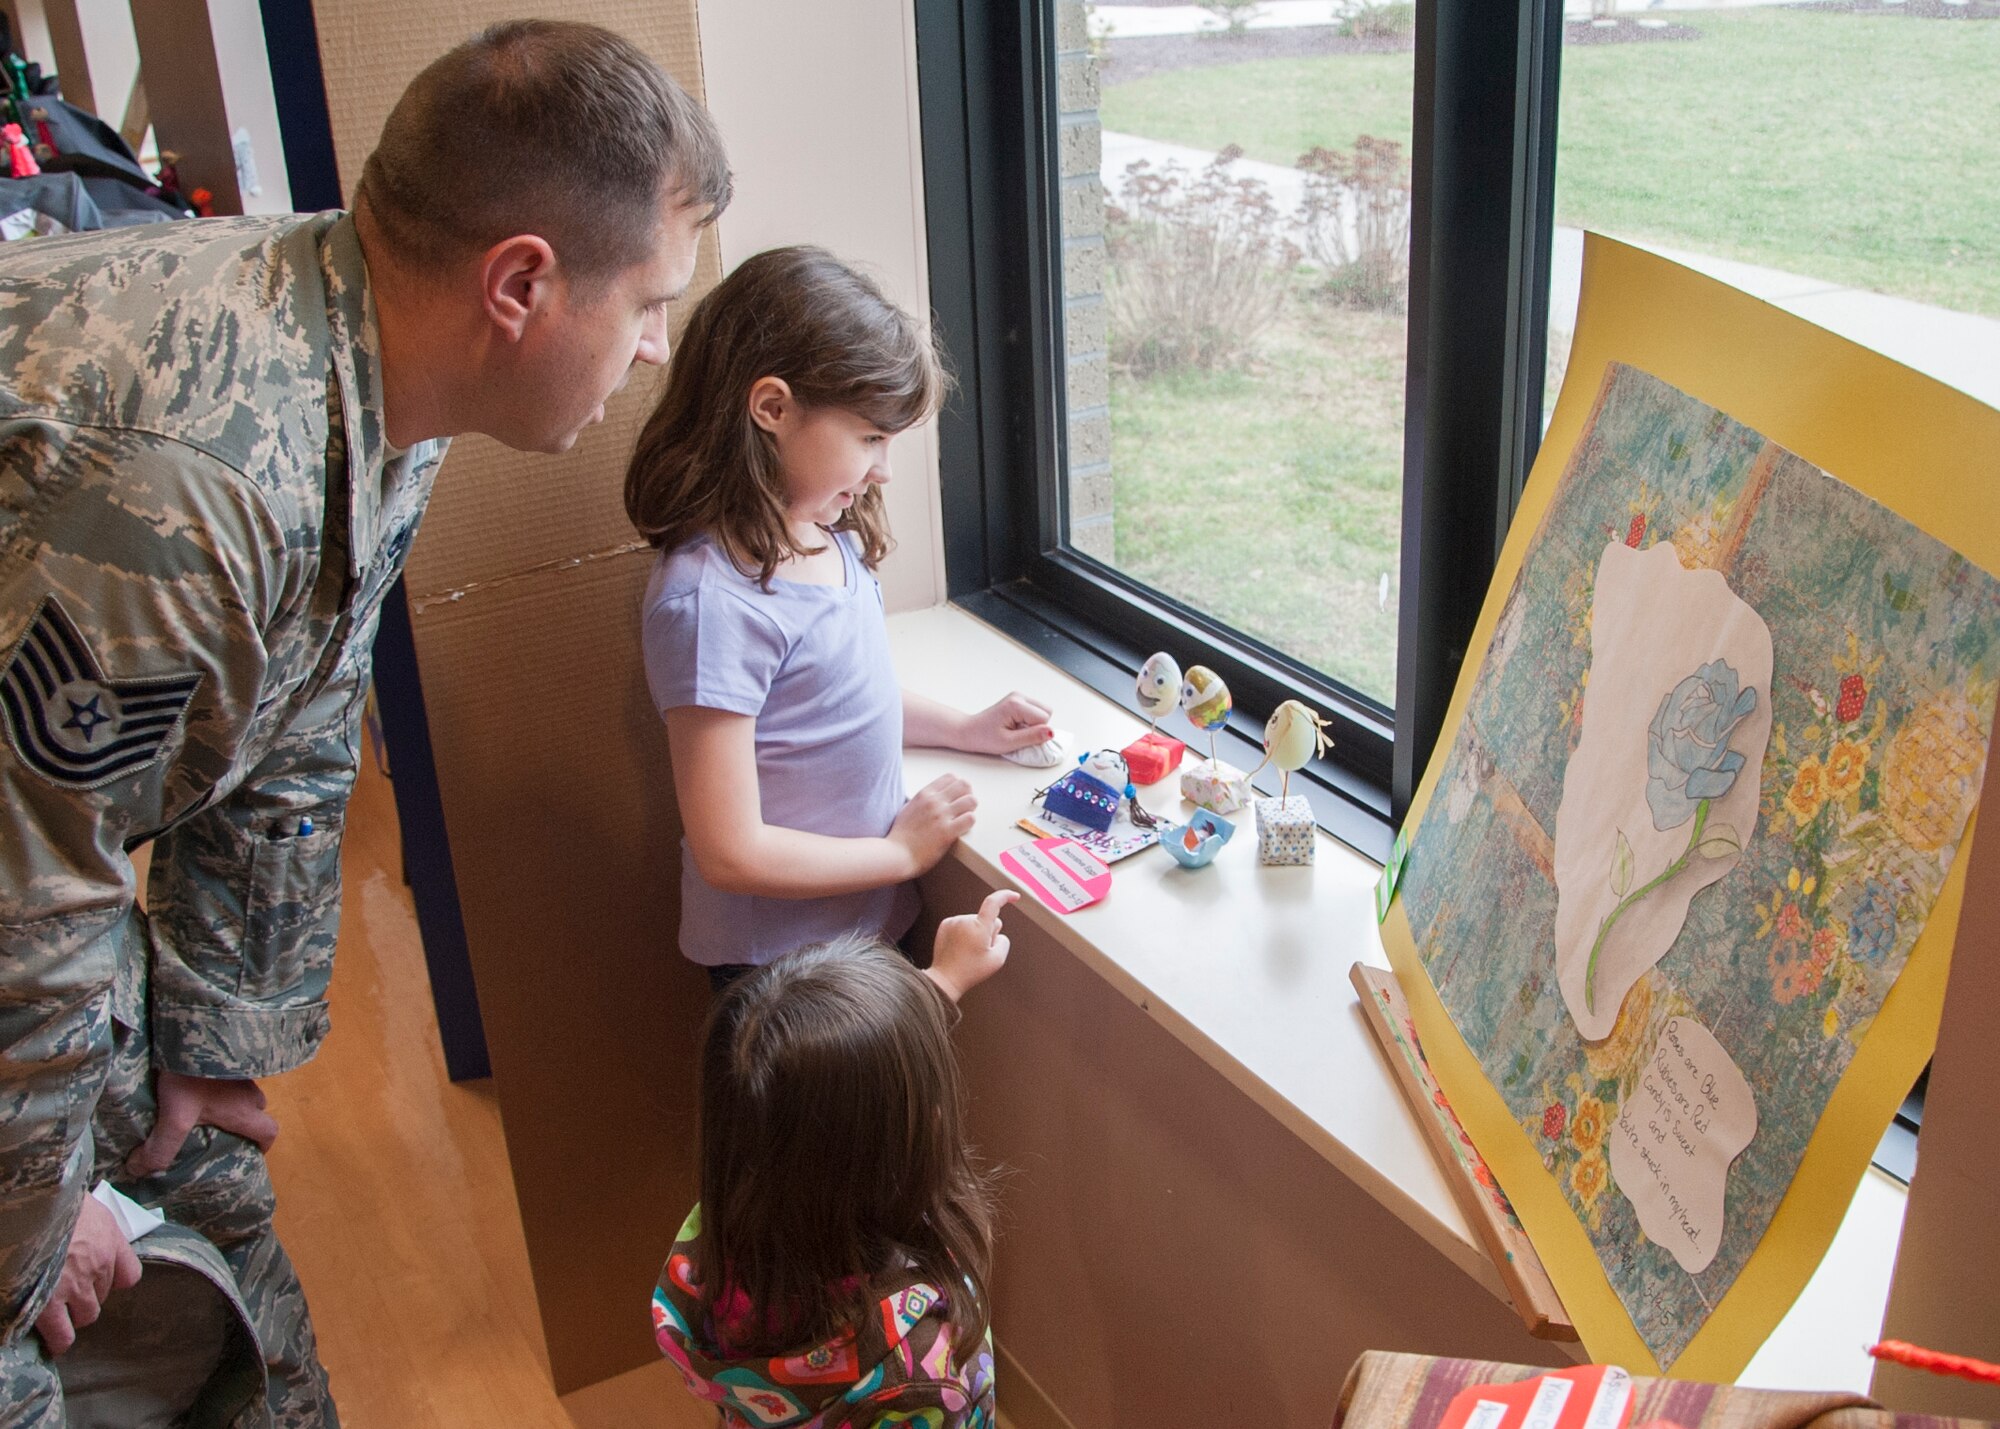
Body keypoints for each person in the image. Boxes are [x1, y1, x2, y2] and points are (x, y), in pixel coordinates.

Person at [0, 19, 730, 1426]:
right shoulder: (190, 489)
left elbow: (299, 720)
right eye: (646, 303)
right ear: (520, 282)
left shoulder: (379, 361)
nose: (651, 352)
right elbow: (20, 911)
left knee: (217, 1244)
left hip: (36, 873)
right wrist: (45, 1215)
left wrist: (210, 1043)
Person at [624, 246, 1053, 991]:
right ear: (772, 409)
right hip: (781, 966)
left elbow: (839, 699)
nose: (884, 469)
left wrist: (963, 729)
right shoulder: (710, 602)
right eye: (870, 438)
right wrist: (899, 855)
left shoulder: (824, 531)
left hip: (868, 922)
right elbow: (729, 848)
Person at [651, 891, 1017, 1427]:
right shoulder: (914, 1381)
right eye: (928, 1101)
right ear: (883, 1152)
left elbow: (820, 1098)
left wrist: (944, 980)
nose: (940, 1111)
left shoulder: (730, 1222)